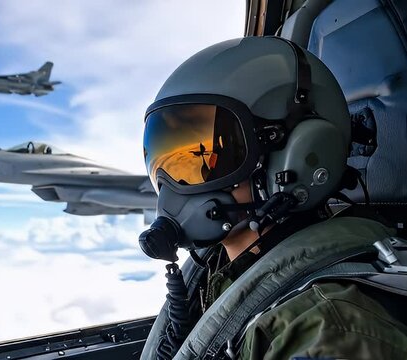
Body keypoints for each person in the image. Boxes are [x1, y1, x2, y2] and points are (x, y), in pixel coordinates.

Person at [138, 36, 407, 360]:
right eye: (163, 162)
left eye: (213, 157)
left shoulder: (326, 329)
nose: (174, 187)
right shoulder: (219, 271)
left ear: (300, 154)